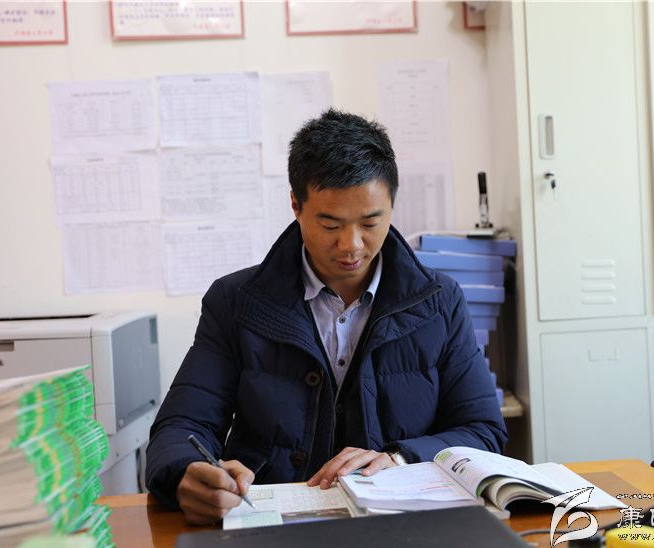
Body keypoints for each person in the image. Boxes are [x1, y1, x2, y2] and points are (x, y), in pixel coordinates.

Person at [145, 108, 508, 525]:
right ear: (296, 205)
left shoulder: (439, 302)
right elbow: (181, 426)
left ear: (392, 205)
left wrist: (402, 457)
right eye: (330, 224)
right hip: (274, 530)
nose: (351, 245)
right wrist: (187, 472)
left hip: (402, 527)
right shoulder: (236, 302)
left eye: (370, 222)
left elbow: (483, 431)